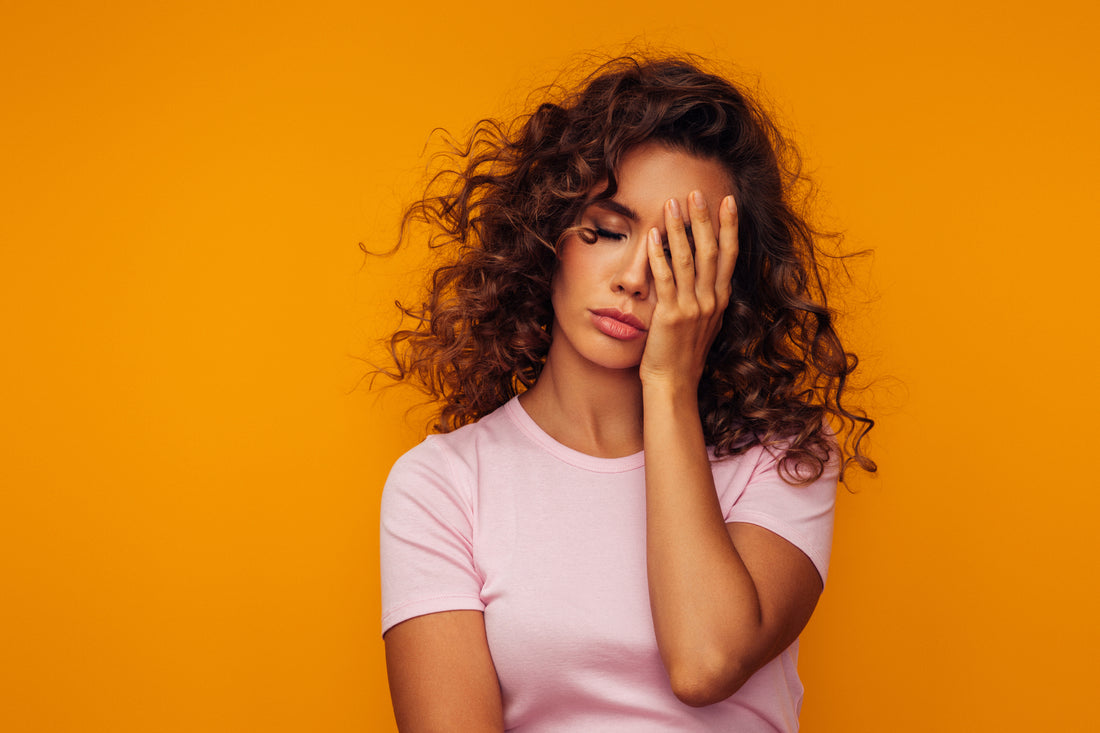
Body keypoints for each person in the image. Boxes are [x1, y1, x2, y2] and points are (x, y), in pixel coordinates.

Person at [375, 54, 875, 732]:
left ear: (727, 279)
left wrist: (668, 384)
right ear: (549, 233)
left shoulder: (784, 456)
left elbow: (706, 662)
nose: (636, 277)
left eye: (679, 253)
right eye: (608, 231)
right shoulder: (443, 484)